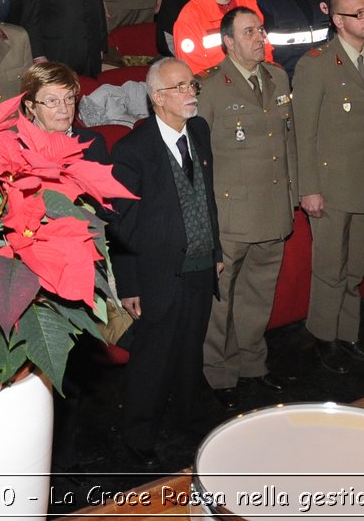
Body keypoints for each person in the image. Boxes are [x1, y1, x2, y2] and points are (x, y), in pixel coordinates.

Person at [107, 57, 221, 470]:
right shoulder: (132, 151)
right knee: (153, 360)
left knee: (191, 351)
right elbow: (119, 223)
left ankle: (188, 422)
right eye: (180, 87)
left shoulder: (200, 132)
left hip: (200, 266)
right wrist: (129, 283)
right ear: (157, 98)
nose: (191, 92)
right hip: (156, 274)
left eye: (192, 85)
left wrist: (217, 252)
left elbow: (206, 198)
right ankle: (139, 435)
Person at [195, 8, 295, 409]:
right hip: (231, 212)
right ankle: (218, 374)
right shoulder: (211, 87)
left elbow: (290, 142)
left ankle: (254, 363)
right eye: (249, 31)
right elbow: (198, 158)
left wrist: (294, 194)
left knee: (259, 292)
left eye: (261, 29)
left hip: (272, 206)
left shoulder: (278, 76)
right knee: (221, 300)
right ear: (229, 43)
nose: (260, 37)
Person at [293, 0, 364, 374]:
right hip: (330, 184)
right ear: (338, 21)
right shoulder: (315, 64)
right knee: (330, 268)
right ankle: (323, 337)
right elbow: (304, 132)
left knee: (356, 267)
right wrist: (308, 188)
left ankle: (348, 334)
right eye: (359, 13)